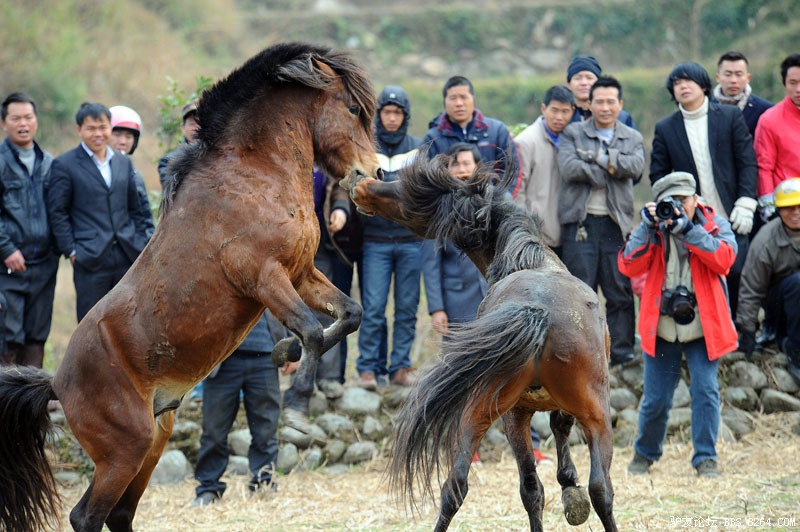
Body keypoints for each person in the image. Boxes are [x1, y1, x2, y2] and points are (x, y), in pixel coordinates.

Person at [618, 171, 737, 478]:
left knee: (706, 390)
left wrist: (689, 231)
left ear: (696, 198)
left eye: (683, 200)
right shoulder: (654, 228)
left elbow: (724, 260)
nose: (679, 208)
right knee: (656, 398)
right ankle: (644, 455)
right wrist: (645, 228)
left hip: (703, 325)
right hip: (662, 325)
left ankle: (706, 459)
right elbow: (628, 265)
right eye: (671, 203)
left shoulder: (714, 225)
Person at [650, 62, 758, 317]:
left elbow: (747, 162)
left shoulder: (729, 116)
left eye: (689, 81)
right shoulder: (666, 128)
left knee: (737, 271)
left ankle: (740, 335)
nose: (683, 86)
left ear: (704, 85)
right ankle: (709, 339)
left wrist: (746, 201)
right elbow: (658, 174)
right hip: (692, 218)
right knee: (701, 279)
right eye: (676, 83)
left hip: (731, 212)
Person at [557, 76, 644, 367]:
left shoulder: (632, 137)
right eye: (600, 101)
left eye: (611, 102)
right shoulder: (572, 132)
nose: (605, 107)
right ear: (589, 104)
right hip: (579, 224)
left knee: (619, 289)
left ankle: (622, 353)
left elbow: (636, 167)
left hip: (615, 224)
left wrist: (596, 157)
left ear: (620, 105)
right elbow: (569, 168)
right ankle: (583, 357)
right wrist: (609, 167)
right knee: (581, 292)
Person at [48, 102, 152, 322]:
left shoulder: (123, 162)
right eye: (91, 128)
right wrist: (72, 251)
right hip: (89, 258)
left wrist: (141, 242)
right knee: (91, 324)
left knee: (128, 322)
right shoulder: (65, 165)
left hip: (127, 254)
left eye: (103, 127)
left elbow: (137, 209)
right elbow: (58, 213)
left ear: (109, 128)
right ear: (79, 130)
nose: (98, 133)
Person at [357, 86, 421, 389]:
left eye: (397, 113)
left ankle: (400, 367)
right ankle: (368, 368)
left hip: (411, 241)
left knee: (407, 309)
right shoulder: (367, 148)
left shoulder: (419, 149)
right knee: (373, 308)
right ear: (378, 115)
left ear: (405, 116)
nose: (392, 118)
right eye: (387, 112)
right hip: (376, 242)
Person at [192, 311, 283, 506]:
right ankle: (208, 489)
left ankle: (264, 486)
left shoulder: (275, 277)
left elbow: (289, 300)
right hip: (222, 356)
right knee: (213, 432)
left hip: (267, 355)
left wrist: (292, 345)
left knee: (266, 431)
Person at [0, 92, 58, 367]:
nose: (23, 123)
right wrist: (6, 249)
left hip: (44, 266)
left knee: (37, 337)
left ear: (36, 121)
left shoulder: (49, 163)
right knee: (8, 337)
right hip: (8, 269)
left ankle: (31, 408)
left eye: (28, 117)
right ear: (4, 123)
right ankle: (6, 406)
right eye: (16, 118)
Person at [736, 178, 800, 385]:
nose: (796, 213)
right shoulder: (766, 240)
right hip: (779, 303)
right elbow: (751, 289)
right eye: (789, 208)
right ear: (779, 210)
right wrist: (747, 332)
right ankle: (795, 348)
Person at [422, 76, 521, 196]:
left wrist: (498, 202)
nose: (459, 103)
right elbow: (427, 179)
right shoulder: (432, 138)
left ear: (473, 99)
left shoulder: (497, 130)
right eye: (453, 98)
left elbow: (512, 171)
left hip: (493, 204)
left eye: (464, 97)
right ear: (444, 102)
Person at [513, 85, 575, 253]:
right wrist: (526, 231)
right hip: (537, 235)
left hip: (568, 234)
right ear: (543, 109)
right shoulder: (526, 141)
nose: (559, 117)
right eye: (554, 110)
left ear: (573, 112)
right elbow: (518, 190)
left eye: (565, 111)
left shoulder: (574, 140)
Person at [753, 54, 800, 223]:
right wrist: (767, 204)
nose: (798, 89)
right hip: (788, 205)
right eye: (793, 83)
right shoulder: (769, 120)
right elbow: (764, 166)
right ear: (784, 84)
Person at [109, 105, 154, 239]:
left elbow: (145, 218)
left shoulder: (135, 175)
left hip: (130, 250)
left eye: (128, 136)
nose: (122, 141)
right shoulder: (94, 171)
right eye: (117, 135)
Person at [565, 56, 636, 128]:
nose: (584, 83)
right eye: (578, 78)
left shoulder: (622, 118)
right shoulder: (562, 118)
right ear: (568, 85)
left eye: (589, 78)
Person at [713, 51, 772, 137]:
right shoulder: (707, 108)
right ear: (718, 78)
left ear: (748, 78)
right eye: (728, 74)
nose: (733, 80)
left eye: (738, 74)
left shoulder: (765, 110)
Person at [158, 100, 200, 188]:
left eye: (201, 123)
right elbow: (173, 190)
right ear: (183, 128)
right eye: (192, 124)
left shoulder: (221, 157)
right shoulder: (168, 161)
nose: (197, 128)